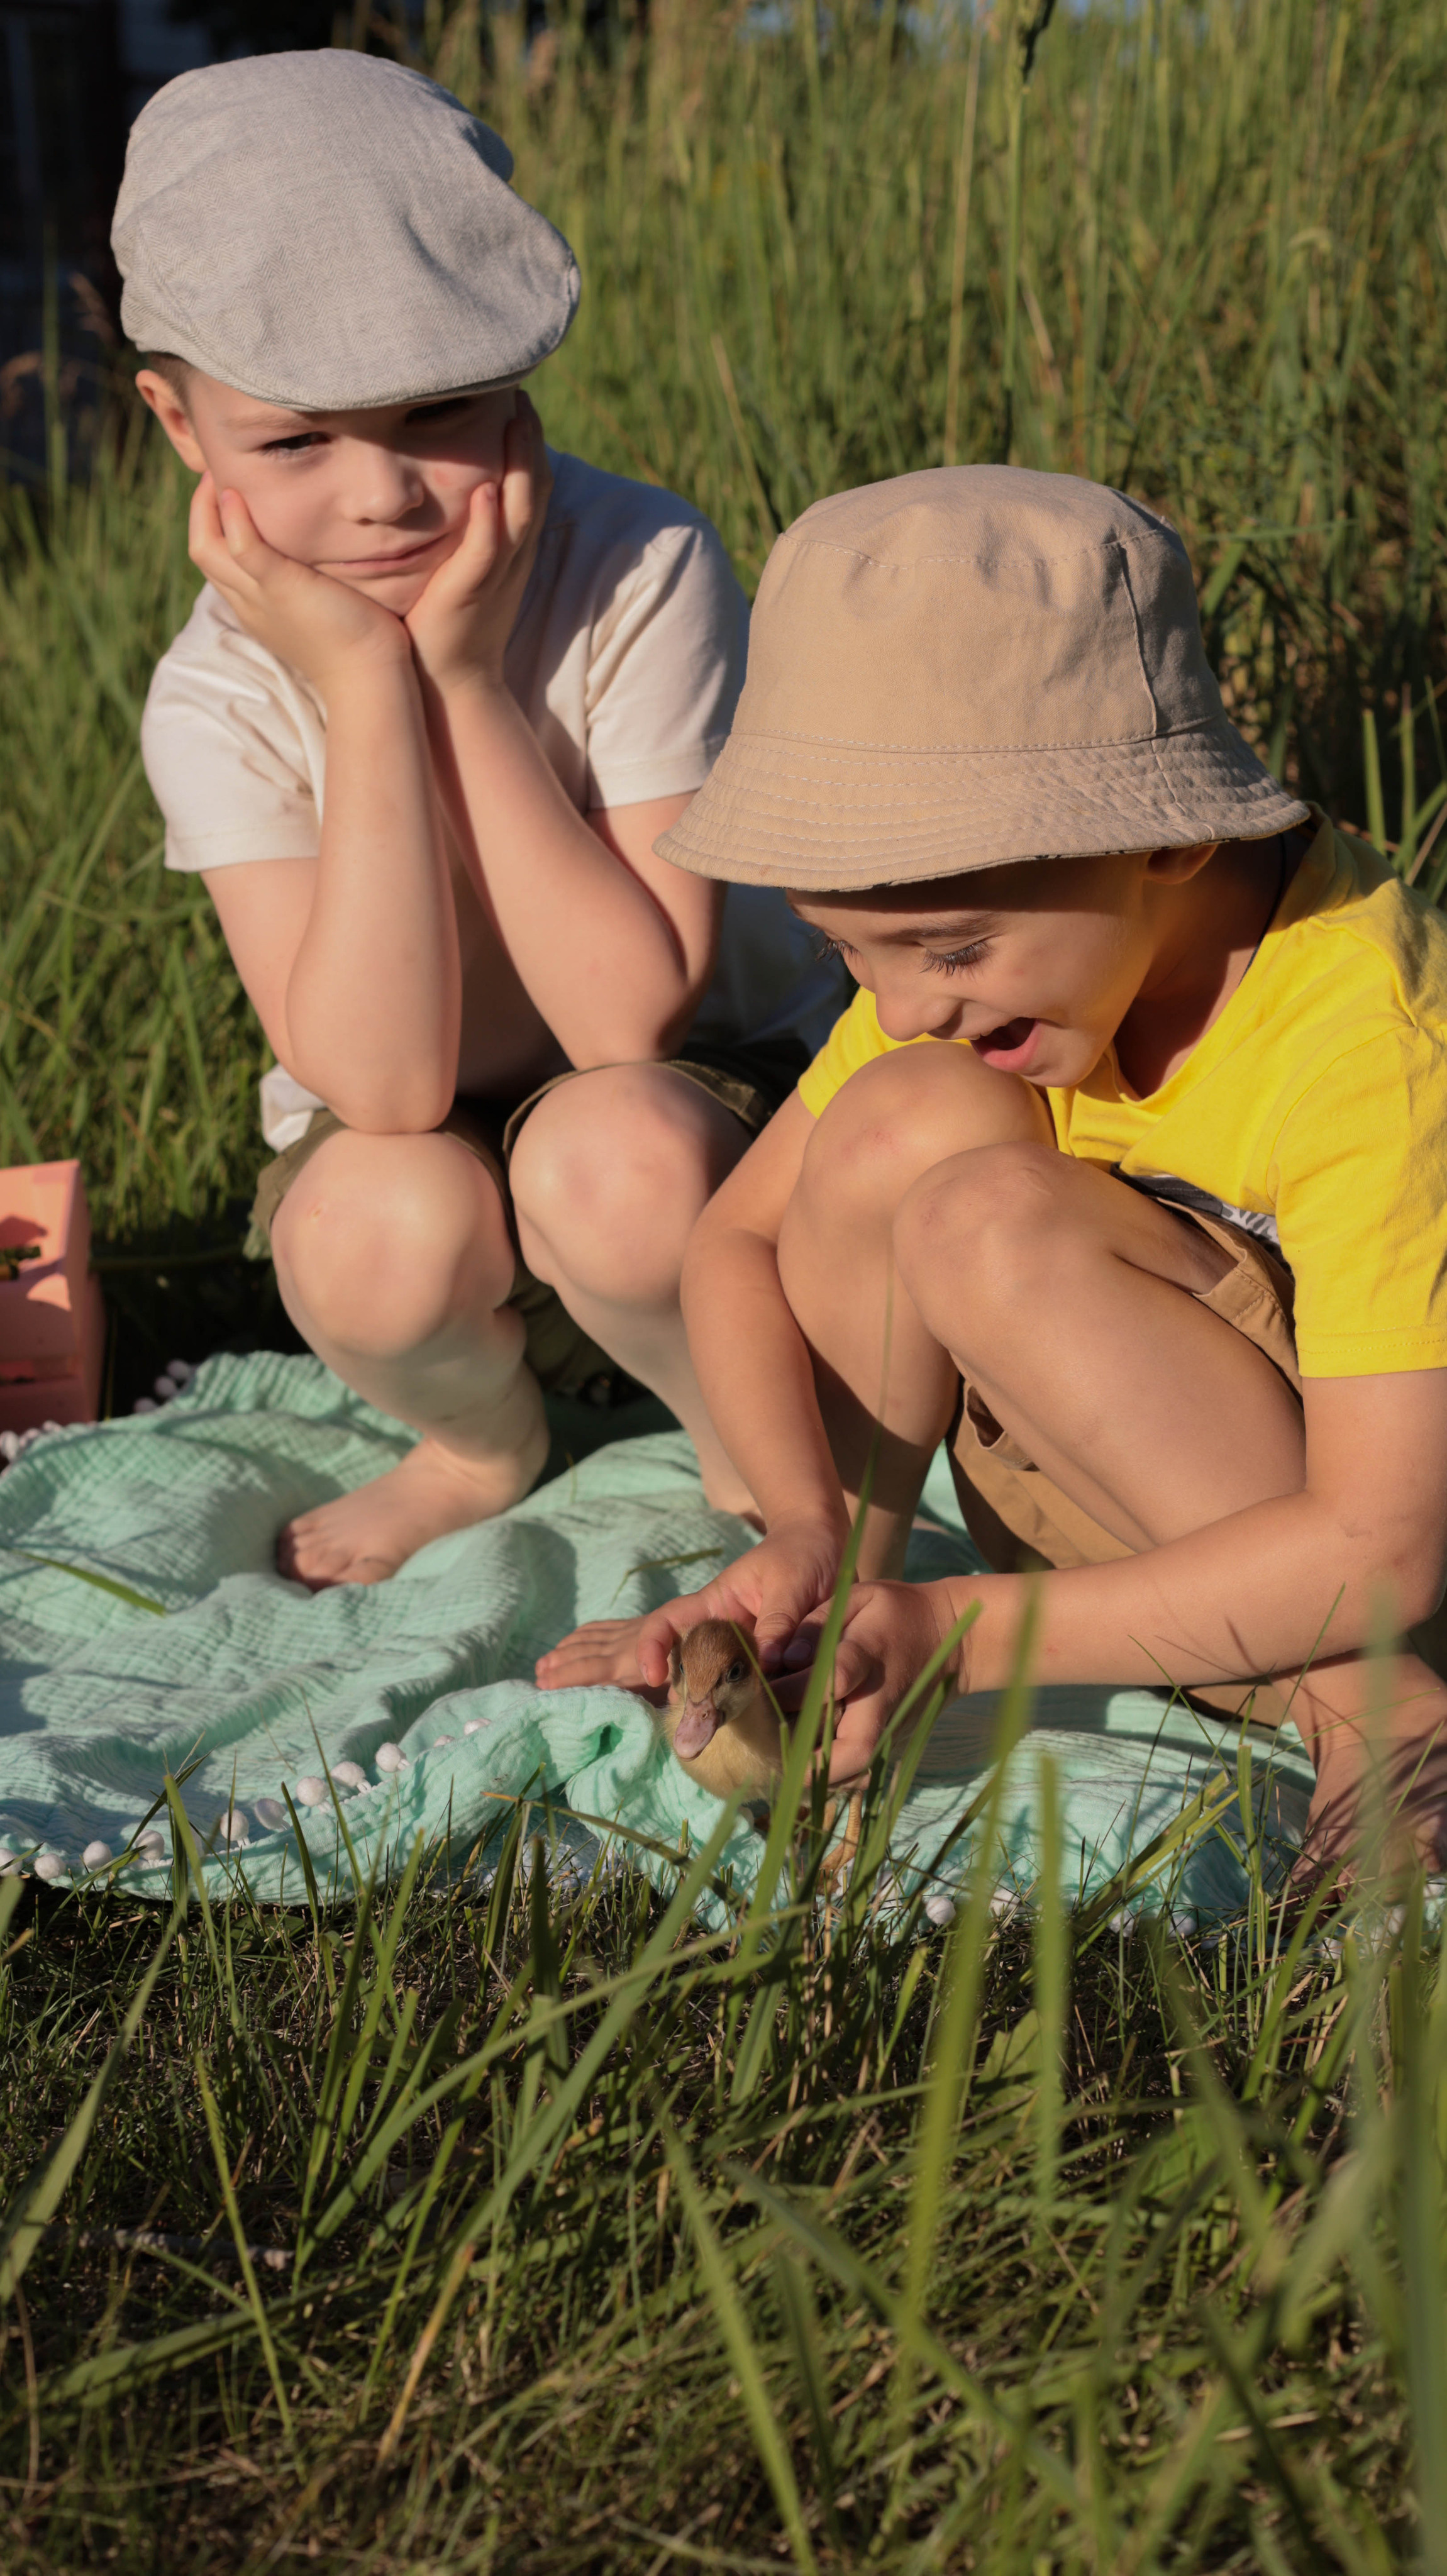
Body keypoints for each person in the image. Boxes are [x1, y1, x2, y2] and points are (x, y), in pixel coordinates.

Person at [540, 465, 1447, 1877]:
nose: (901, 1004)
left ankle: (1379, 1721)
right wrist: (804, 1526)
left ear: (1166, 831)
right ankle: (846, 1629)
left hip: (1378, 1570)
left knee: (981, 1217)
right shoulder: (992, 964)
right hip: (1131, 1555)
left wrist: (975, 1638)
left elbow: (1388, 1544)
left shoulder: (1363, 1039)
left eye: (951, 949)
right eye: (850, 954)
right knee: (907, 1117)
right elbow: (733, 1241)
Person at [115, 50, 843, 1589]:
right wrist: (374, 694)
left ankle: (761, 1459)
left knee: (615, 1160)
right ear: (182, 430)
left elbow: (627, 1014)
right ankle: (478, 1439)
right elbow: (376, 1083)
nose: (384, 497)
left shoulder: (633, 562)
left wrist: (466, 676)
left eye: (439, 410)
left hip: (700, 1087)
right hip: (421, 1105)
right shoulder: (220, 695)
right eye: (296, 440)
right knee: (362, 1226)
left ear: (518, 379)